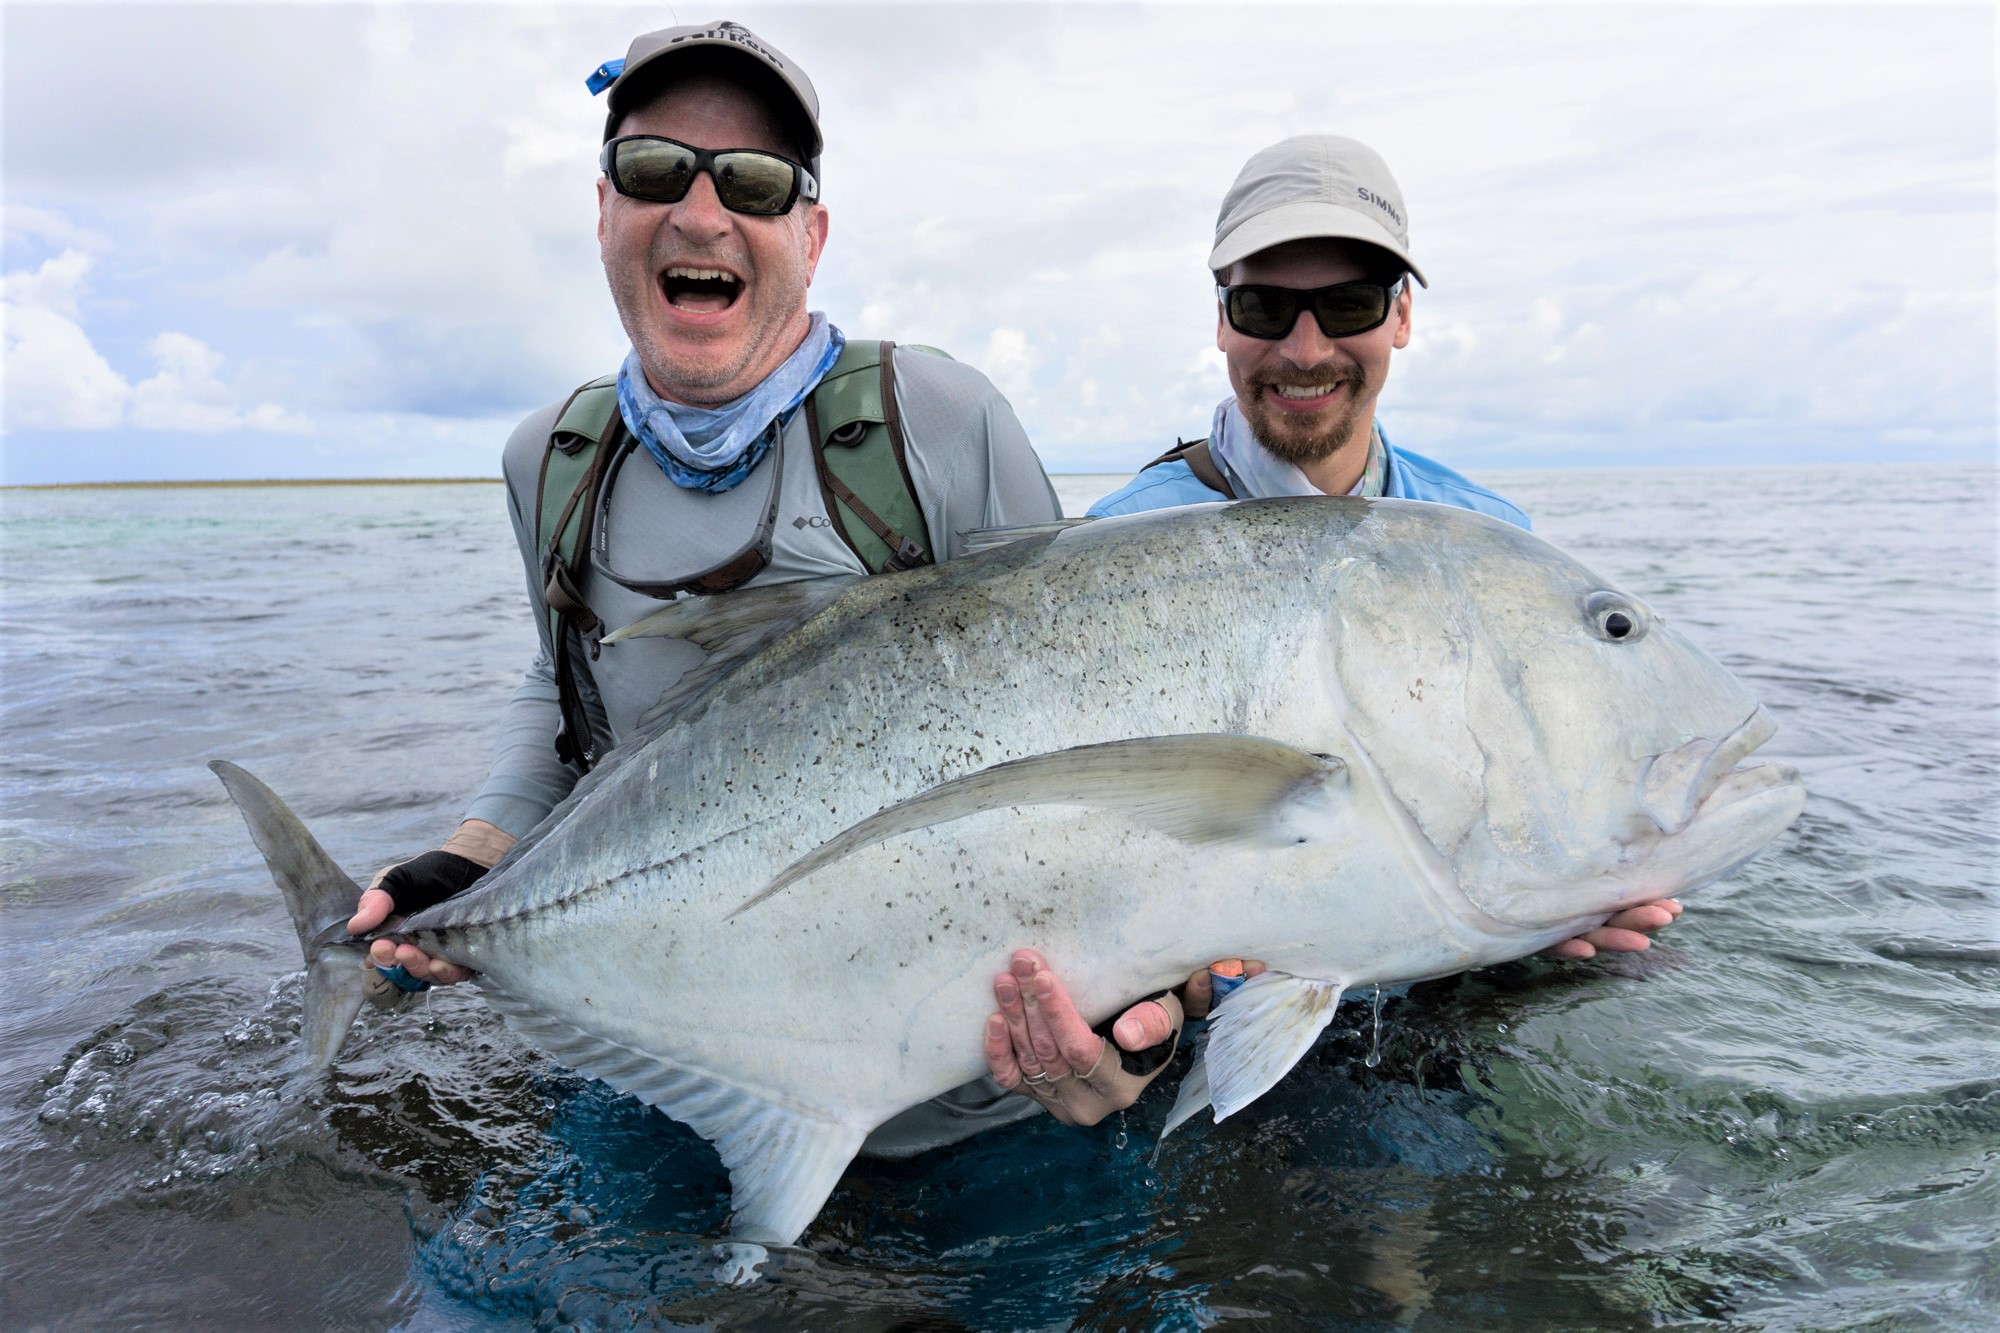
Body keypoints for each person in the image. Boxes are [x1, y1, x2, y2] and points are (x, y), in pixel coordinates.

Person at [343, 19, 1145, 1154]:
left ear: (809, 236)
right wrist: (476, 856)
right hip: (667, 1083)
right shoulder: (551, 461)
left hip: (966, 1109)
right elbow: (563, 679)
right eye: (654, 169)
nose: (702, 213)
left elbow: (1086, 733)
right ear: (605, 208)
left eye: (755, 184)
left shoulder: (942, 424)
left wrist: (1134, 1026)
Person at [981, 136, 1682, 1127]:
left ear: (1400, 314)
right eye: (1264, 307)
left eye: (1348, 303)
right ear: (1220, 320)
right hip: (1206, 1044)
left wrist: (1552, 921)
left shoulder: (1490, 544)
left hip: (1426, 1024)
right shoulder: (1111, 554)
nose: (1304, 349)